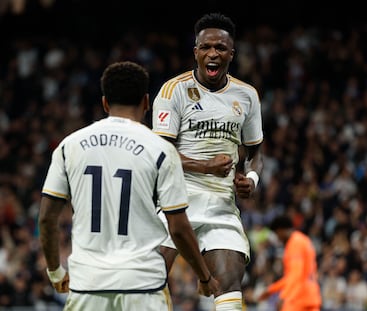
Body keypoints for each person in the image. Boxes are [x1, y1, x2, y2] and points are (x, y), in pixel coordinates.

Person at [38, 61, 219, 311]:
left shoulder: (70, 146)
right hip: (143, 286)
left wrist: (56, 271)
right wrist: (205, 277)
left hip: (88, 285)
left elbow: (47, 218)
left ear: (104, 103)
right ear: (146, 102)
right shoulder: (162, 150)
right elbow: (178, 228)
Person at [152, 12, 264, 311]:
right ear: (196, 52)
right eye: (206, 47)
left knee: (229, 283)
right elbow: (158, 152)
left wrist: (250, 179)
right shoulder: (172, 91)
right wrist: (204, 166)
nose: (213, 53)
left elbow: (255, 153)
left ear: (231, 54)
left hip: (221, 206)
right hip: (175, 202)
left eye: (220, 48)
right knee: (149, 279)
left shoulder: (247, 95)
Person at [257, 215, 322, 311]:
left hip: (297, 300)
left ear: (280, 230)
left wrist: (283, 296)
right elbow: (293, 277)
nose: (278, 239)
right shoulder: (304, 240)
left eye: (276, 234)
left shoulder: (294, 243)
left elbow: (296, 275)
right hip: (312, 298)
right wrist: (271, 290)